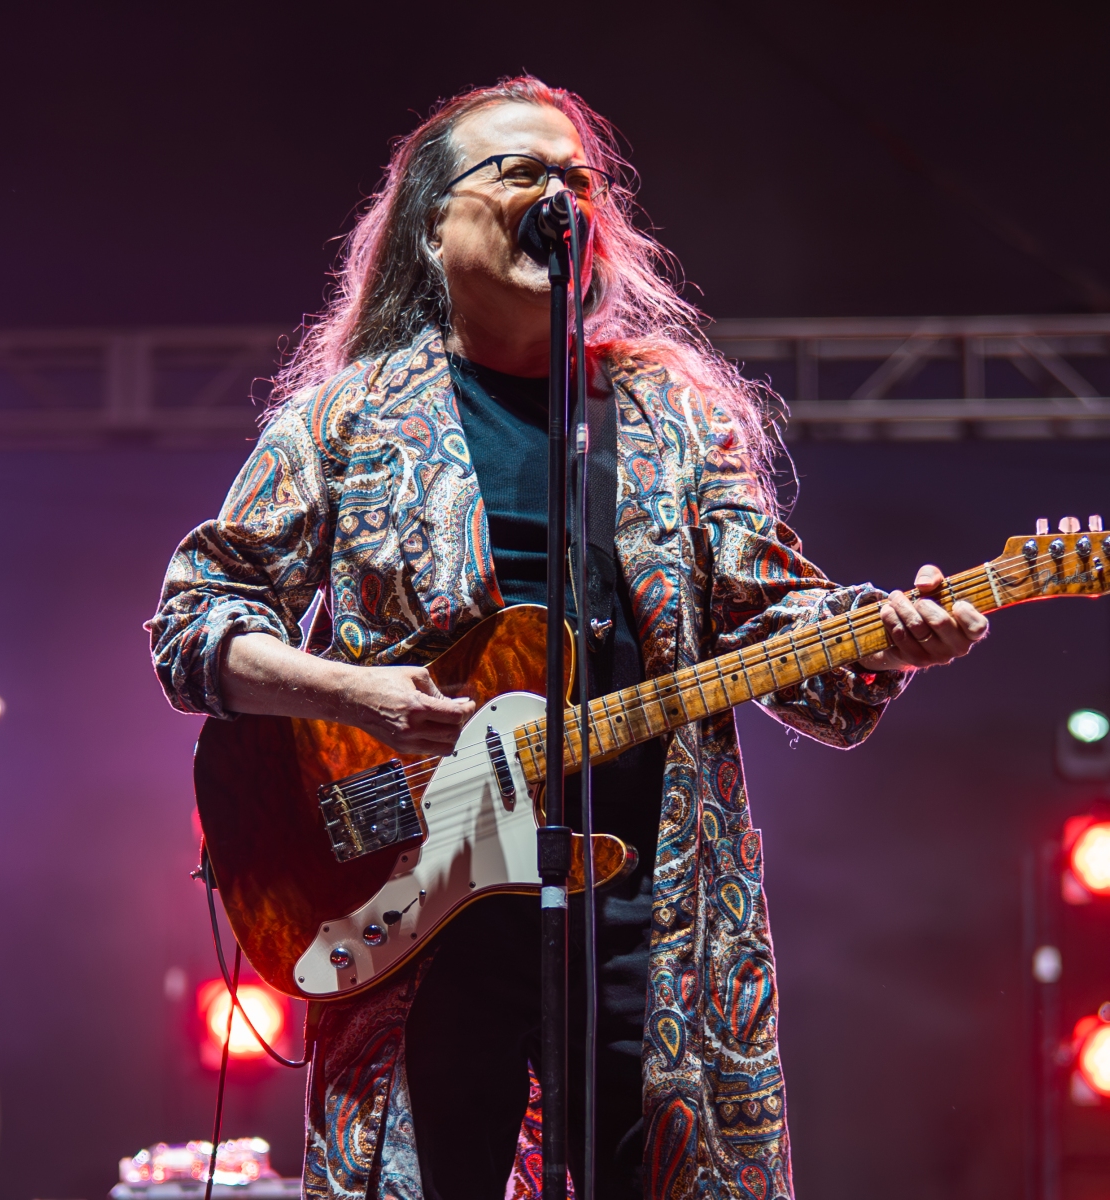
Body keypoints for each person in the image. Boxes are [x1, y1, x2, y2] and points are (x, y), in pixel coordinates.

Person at [147, 76, 988, 1200]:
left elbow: (772, 619)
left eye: (580, 179)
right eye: (522, 172)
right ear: (431, 227)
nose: (561, 196)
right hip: (419, 912)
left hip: (644, 906)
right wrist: (351, 694)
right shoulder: (344, 421)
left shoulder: (674, 419)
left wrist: (878, 638)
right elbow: (198, 619)